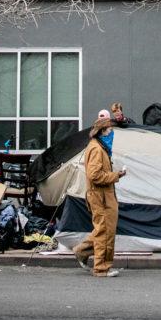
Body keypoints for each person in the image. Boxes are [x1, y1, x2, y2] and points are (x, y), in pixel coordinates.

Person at [71, 117, 127, 277]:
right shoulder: (96, 149)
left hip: (104, 196)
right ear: (103, 131)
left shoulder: (99, 147)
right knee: (103, 231)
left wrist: (115, 175)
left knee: (105, 230)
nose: (111, 132)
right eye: (109, 129)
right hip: (100, 196)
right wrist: (116, 175)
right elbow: (95, 175)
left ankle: (82, 251)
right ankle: (101, 268)